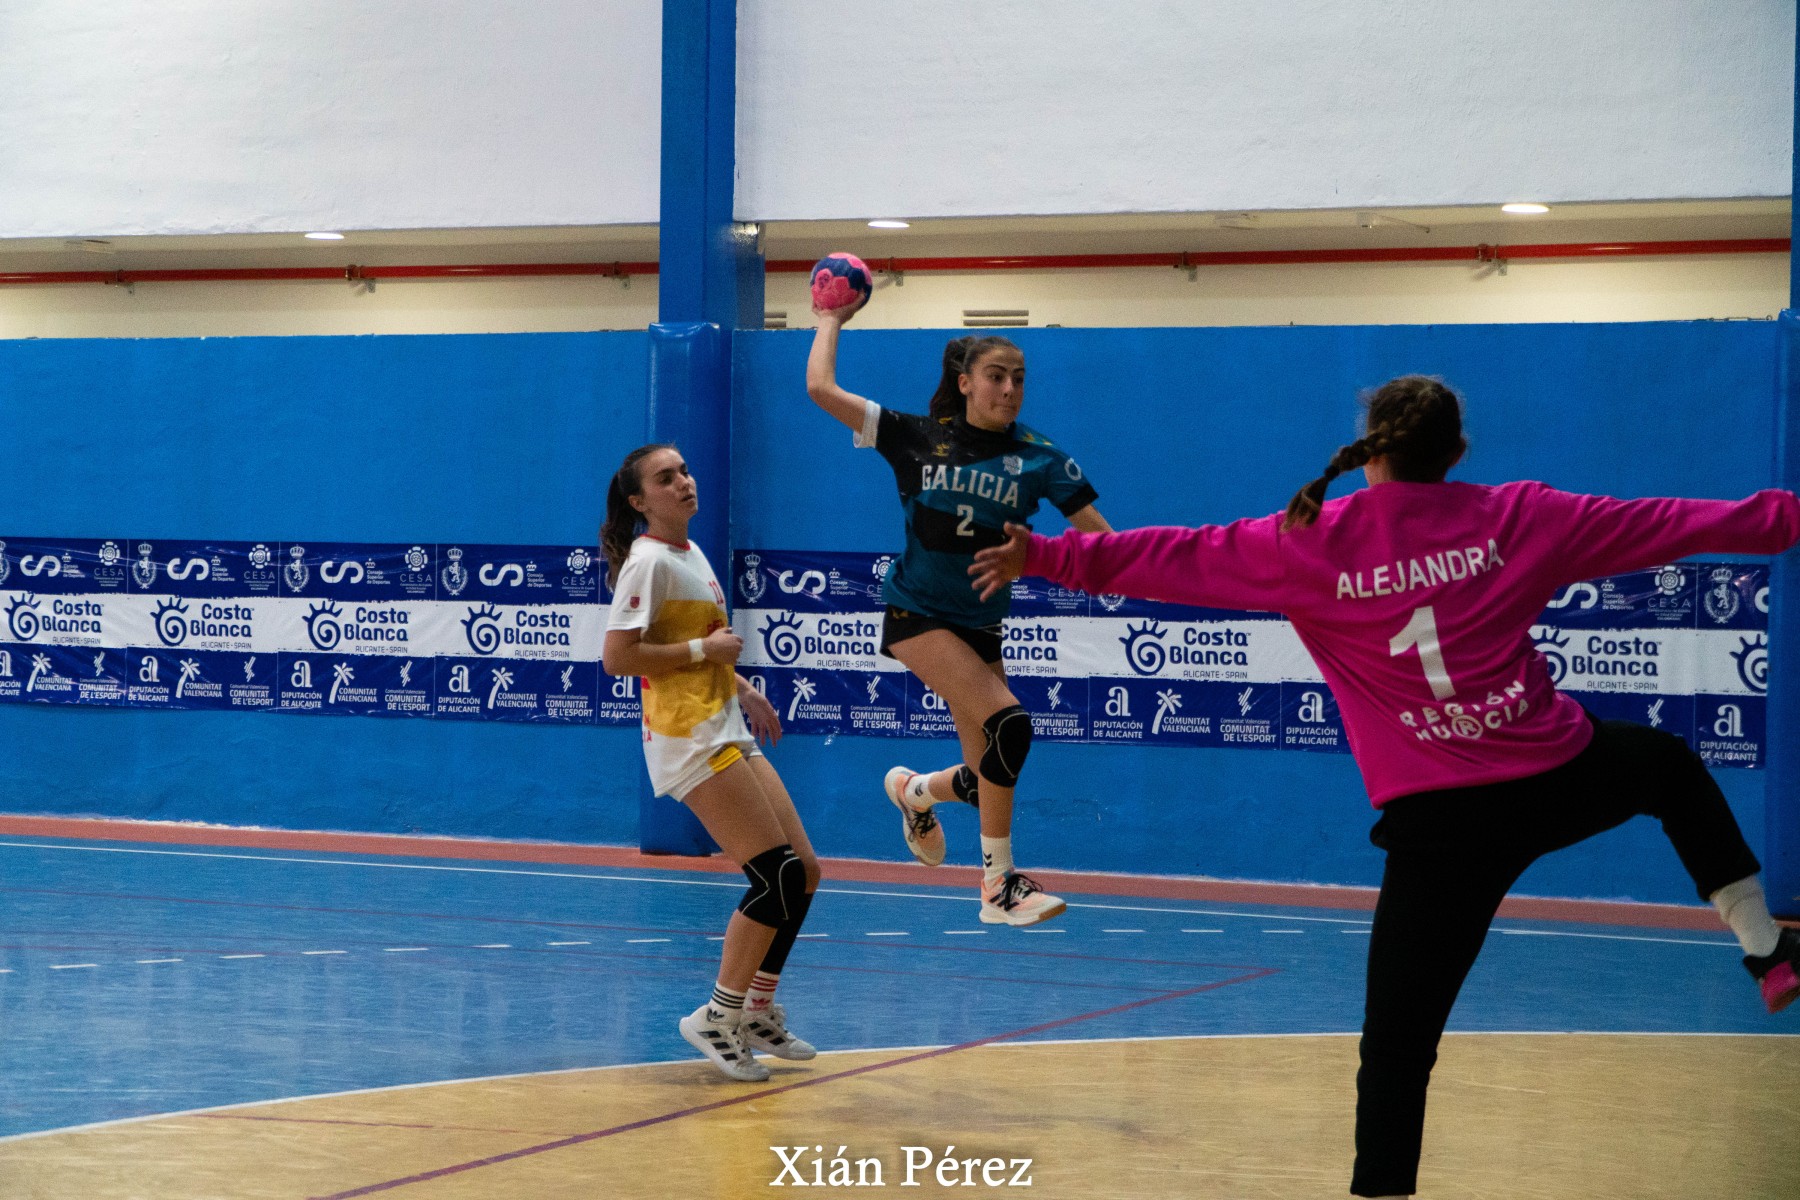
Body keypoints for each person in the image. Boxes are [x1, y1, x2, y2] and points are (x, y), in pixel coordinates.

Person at [969, 374, 1800, 1198]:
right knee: (1668, 766)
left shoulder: (1306, 542)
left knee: (1398, 1048)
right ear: (1456, 452)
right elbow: (1677, 522)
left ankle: (1383, 1191)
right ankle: (1765, 947)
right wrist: (1784, 516)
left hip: (1441, 830)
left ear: (1372, 456)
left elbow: (1172, 558)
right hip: (1557, 774)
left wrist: (1043, 555)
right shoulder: (1522, 516)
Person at [807, 297, 1112, 925]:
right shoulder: (915, 436)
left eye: (1019, 378)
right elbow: (820, 389)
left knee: (985, 777)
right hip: (917, 614)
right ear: (966, 382)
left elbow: (1102, 542)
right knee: (1011, 726)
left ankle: (914, 791)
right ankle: (998, 886)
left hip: (983, 625)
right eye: (996, 377)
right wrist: (830, 320)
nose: (1009, 390)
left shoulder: (1042, 458)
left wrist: (1158, 572)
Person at [601, 443, 822, 1083]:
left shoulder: (690, 553)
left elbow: (704, 647)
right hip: (688, 737)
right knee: (775, 877)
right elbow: (618, 658)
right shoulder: (647, 563)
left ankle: (756, 1009)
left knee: (804, 872)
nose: (684, 482)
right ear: (640, 501)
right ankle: (717, 1017)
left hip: (725, 723)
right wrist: (706, 652)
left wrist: (744, 689)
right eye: (665, 478)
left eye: (685, 471)